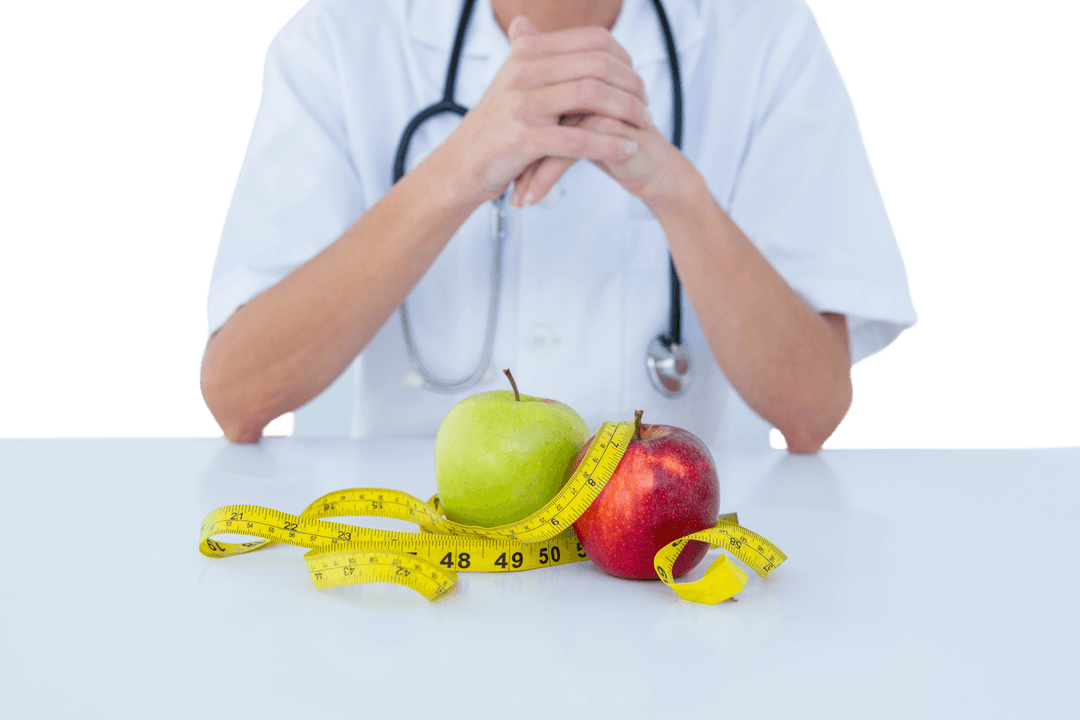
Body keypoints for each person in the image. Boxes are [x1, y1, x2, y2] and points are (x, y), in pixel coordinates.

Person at [199, 0, 919, 452]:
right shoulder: (338, 34)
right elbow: (239, 397)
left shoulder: (765, 30)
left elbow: (812, 410)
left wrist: (671, 188)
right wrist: (458, 169)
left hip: (663, 580)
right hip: (421, 581)